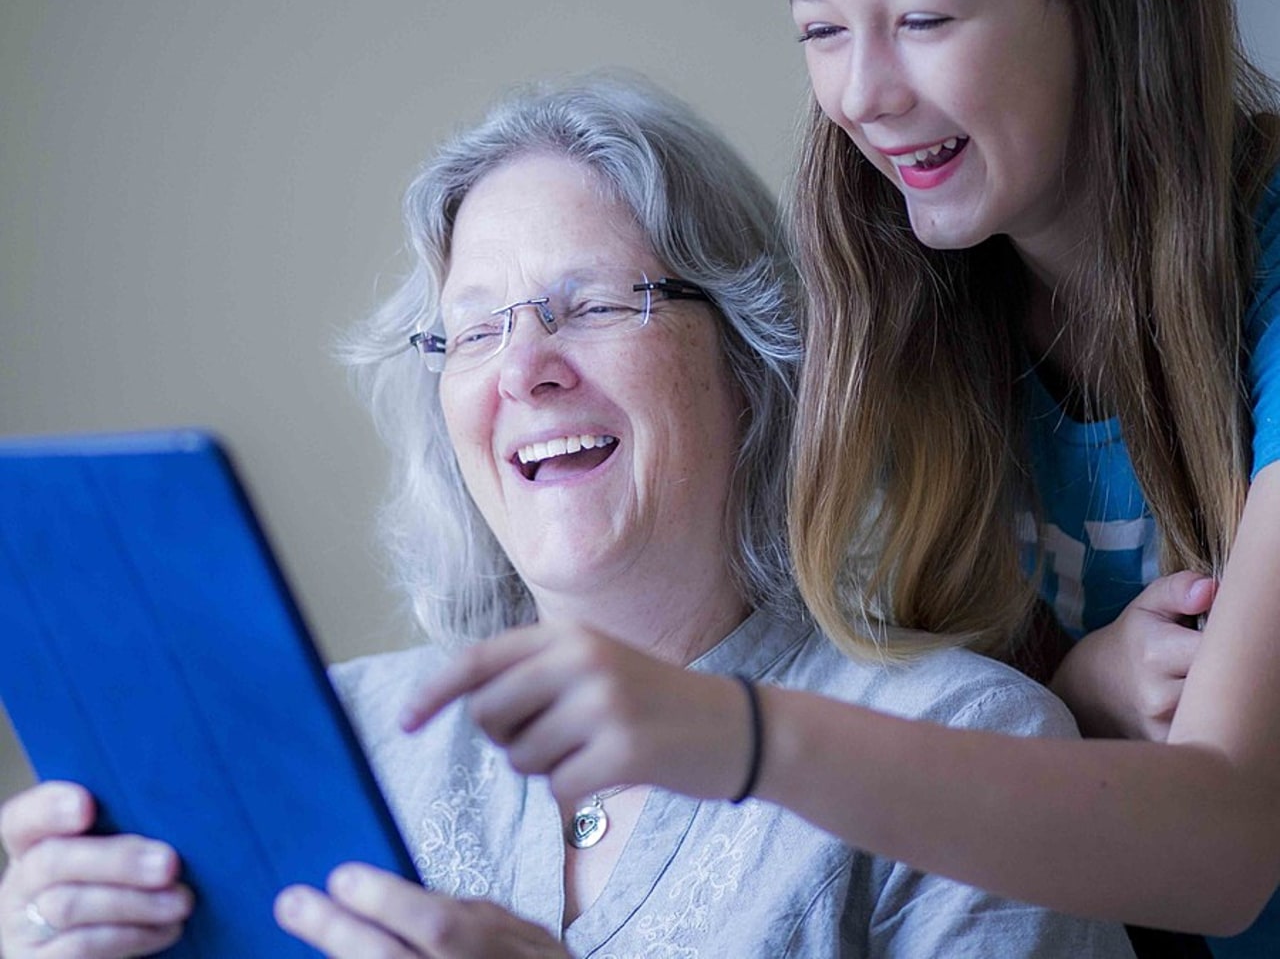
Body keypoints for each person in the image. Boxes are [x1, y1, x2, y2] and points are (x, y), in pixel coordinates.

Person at [400, 0, 1280, 959]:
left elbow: (1224, 845)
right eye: (821, 28)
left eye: (922, 18)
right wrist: (1065, 694)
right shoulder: (910, 292)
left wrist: (738, 733)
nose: (860, 95)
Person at [0, 72, 1133, 958]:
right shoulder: (321, 737)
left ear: (752, 359)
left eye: (591, 304)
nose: (523, 369)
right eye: (475, 328)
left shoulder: (969, 745)